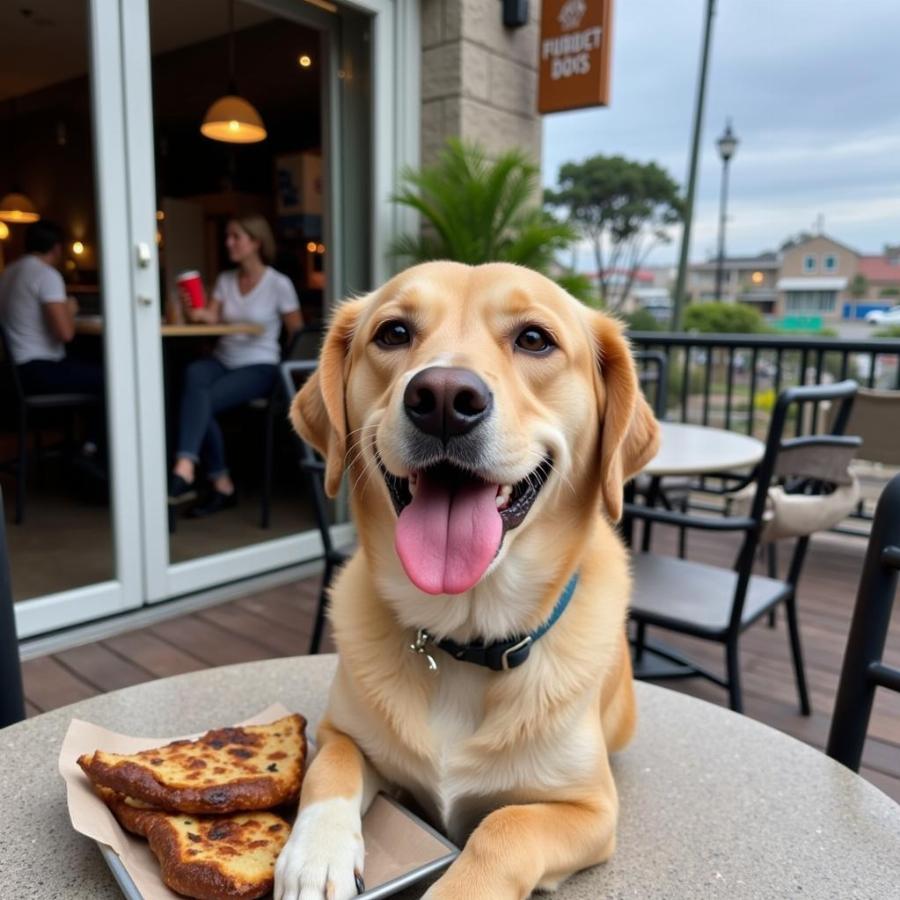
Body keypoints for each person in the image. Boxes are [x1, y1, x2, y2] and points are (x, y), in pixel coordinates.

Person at [169, 214, 302, 517]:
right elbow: (212, 317)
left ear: (255, 242)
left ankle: (205, 475)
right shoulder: (226, 280)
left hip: (261, 366)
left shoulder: (278, 284)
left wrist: (288, 373)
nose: (228, 242)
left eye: (235, 237)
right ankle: (204, 472)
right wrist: (199, 314)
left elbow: (298, 333)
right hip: (224, 360)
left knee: (200, 403)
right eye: (227, 236)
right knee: (193, 373)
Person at [0, 220, 105, 458]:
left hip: (12, 372)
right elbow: (65, 333)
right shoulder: (46, 275)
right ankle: (92, 449)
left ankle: (83, 445)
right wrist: (70, 308)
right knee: (109, 377)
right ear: (58, 248)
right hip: (39, 370)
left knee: (87, 366)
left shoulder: (8, 272)